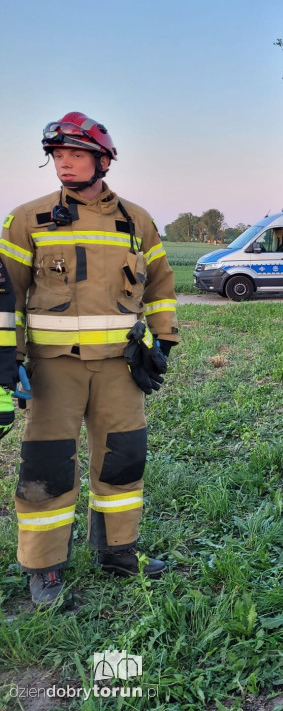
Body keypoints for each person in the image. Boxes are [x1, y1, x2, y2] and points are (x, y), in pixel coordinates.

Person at [0, 112, 179, 607]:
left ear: (102, 159)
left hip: (121, 368)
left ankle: (118, 551)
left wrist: (162, 343)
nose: (64, 164)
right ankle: (44, 569)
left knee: (123, 460)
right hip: (54, 369)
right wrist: (5, 362)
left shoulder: (136, 220)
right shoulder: (25, 219)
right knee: (49, 467)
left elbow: (161, 286)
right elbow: (6, 298)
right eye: (57, 156)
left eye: (75, 154)